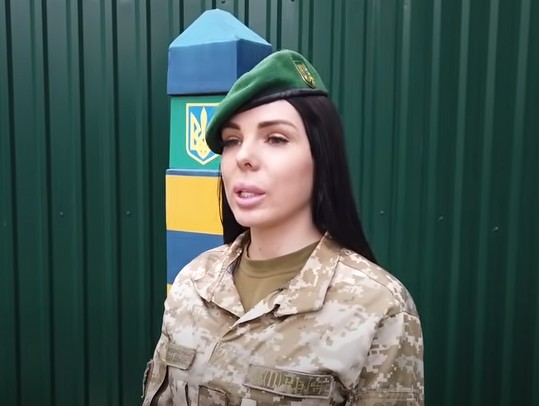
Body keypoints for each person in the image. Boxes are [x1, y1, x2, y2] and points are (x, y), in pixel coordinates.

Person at [142, 49, 424, 405]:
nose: (244, 156)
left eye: (276, 138)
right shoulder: (193, 283)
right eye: (232, 141)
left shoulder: (378, 306)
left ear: (322, 156)